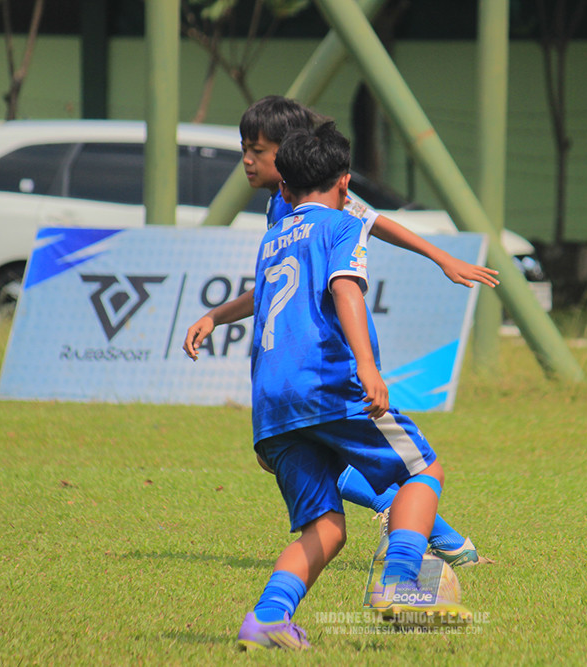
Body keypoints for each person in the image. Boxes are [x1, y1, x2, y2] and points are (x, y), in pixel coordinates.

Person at [184, 96, 495, 567]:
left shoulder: (321, 202)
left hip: (312, 372)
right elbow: (278, 290)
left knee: (338, 455)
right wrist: (217, 315)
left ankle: (439, 538)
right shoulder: (283, 212)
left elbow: (376, 227)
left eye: (259, 150)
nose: (247, 160)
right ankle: (421, 548)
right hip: (316, 374)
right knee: (393, 462)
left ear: (288, 155)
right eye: (244, 148)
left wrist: (442, 258)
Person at [228, 122, 471, 649]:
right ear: (345, 183)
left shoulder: (273, 236)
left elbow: (266, 300)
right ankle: (402, 583)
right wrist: (367, 365)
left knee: (327, 528)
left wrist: (214, 317)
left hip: (272, 404)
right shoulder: (341, 227)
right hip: (329, 386)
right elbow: (346, 288)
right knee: (424, 469)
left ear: (285, 188)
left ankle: (269, 618)